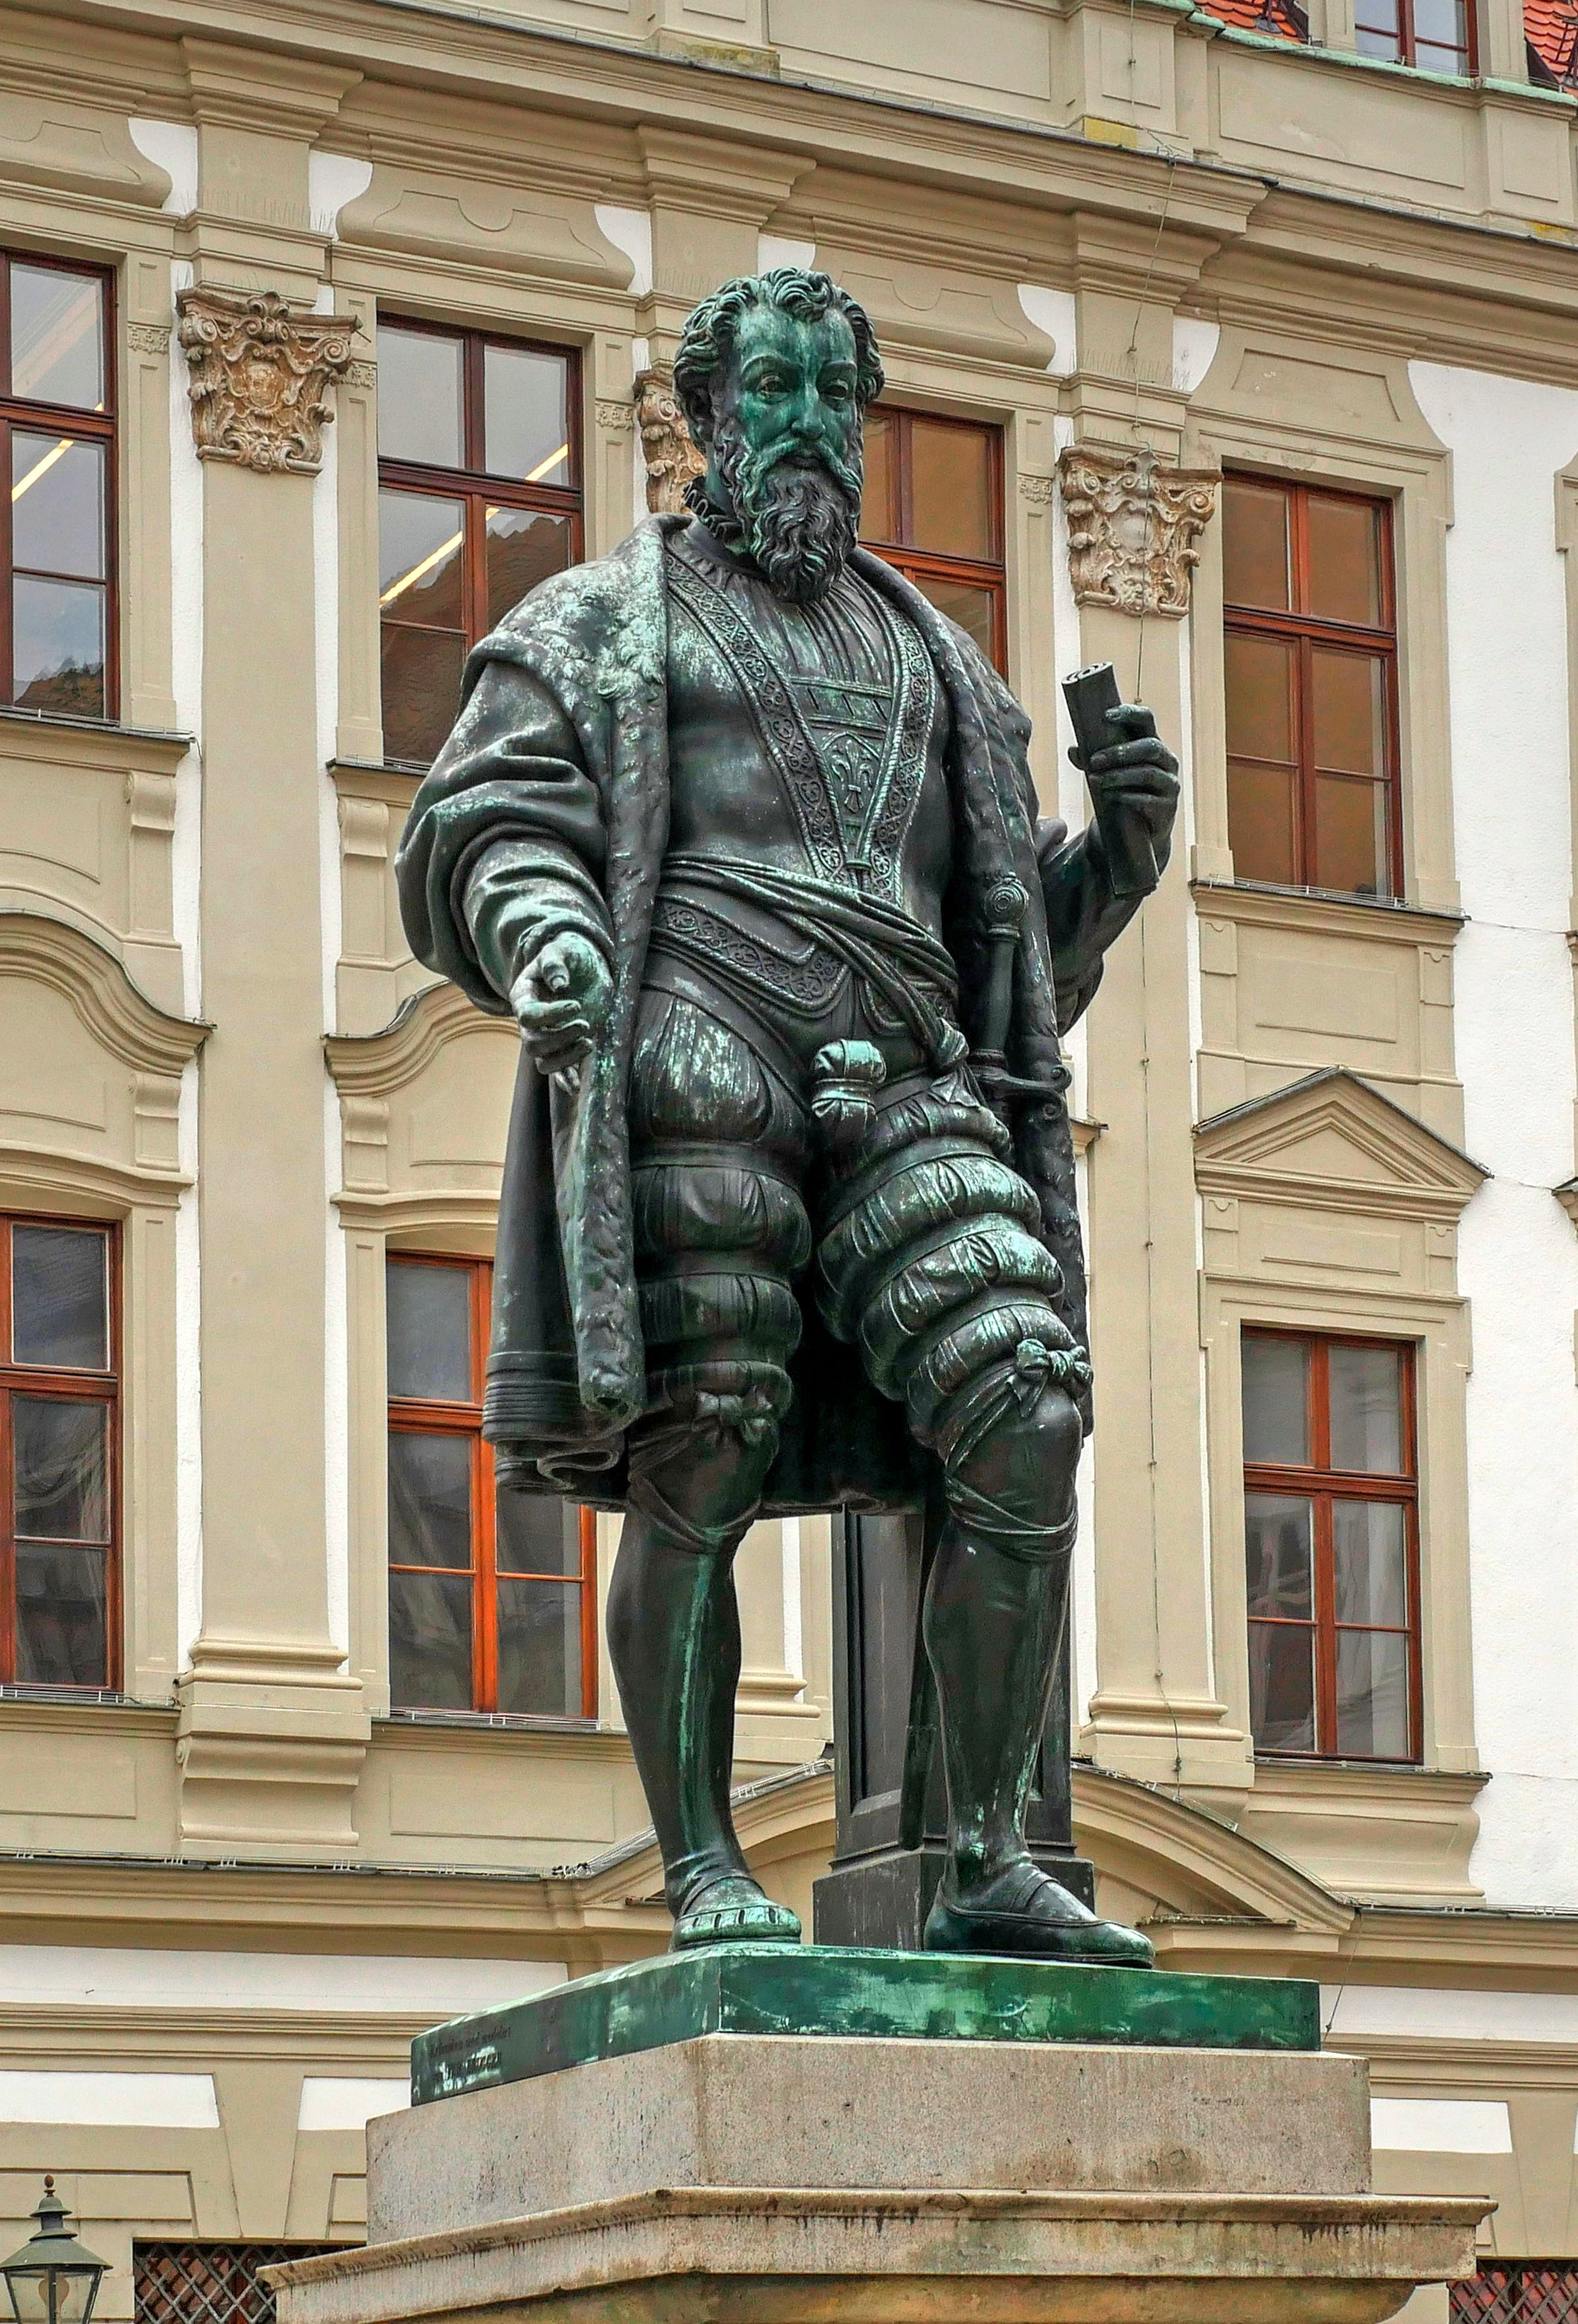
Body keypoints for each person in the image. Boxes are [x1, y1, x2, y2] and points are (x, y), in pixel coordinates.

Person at [395, 267, 1183, 1960]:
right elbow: (490, 810)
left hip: (901, 1064)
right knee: (707, 1445)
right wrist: (540, 929)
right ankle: (700, 1867)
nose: (809, 422)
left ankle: (978, 1855)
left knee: (1026, 1408)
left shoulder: (941, 665)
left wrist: (1105, 869)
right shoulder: (608, 621)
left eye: (835, 392)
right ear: (703, 415)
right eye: (772, 388)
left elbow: (1004, 966)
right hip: (701, 1025)